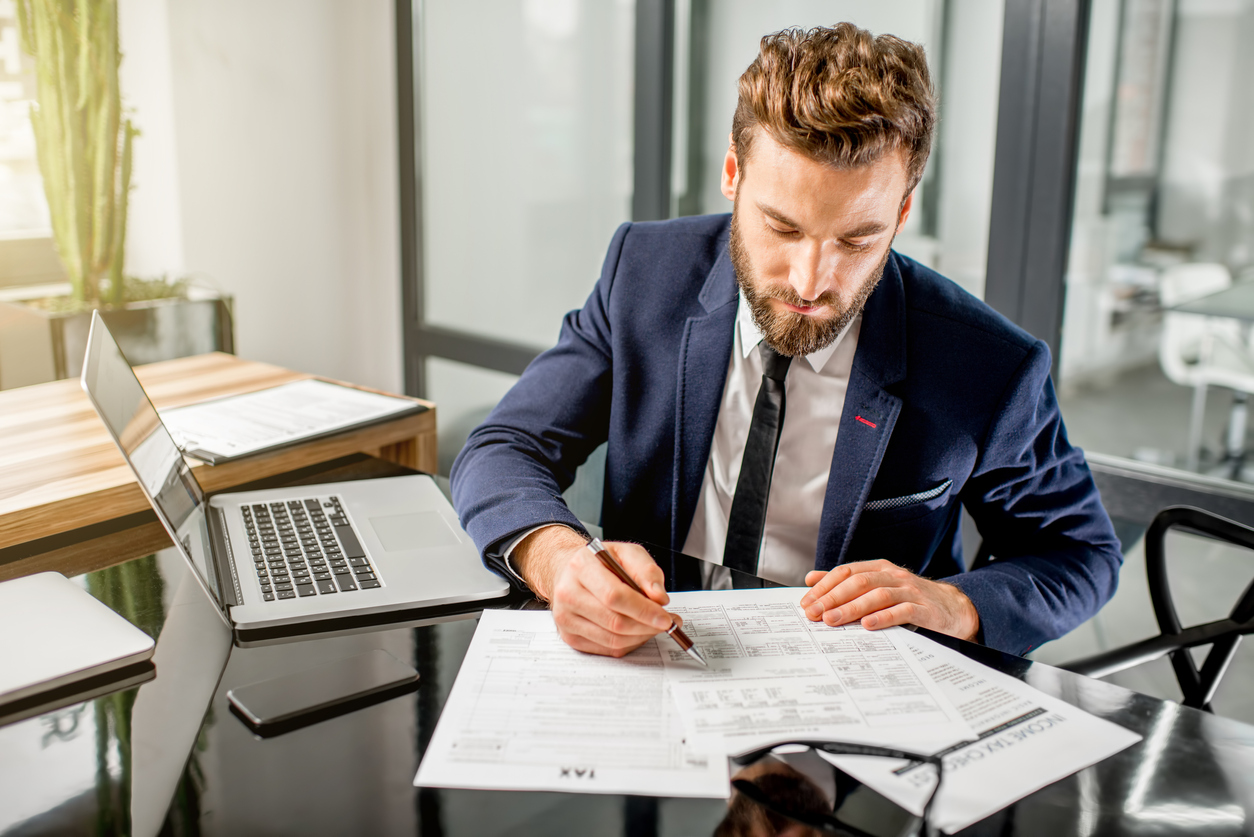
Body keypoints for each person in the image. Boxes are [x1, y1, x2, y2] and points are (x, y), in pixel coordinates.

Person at [451, 22, 1121, 659]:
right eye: (782, 227)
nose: (811, 280)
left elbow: (1082, 553)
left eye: (857, 239)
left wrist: (952, 604)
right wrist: (560, 558)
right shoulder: (644, 273)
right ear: (733, 175)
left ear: (903, 212)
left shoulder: (987, 363)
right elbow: (506, 444)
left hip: (860, 700)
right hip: (650, 663)